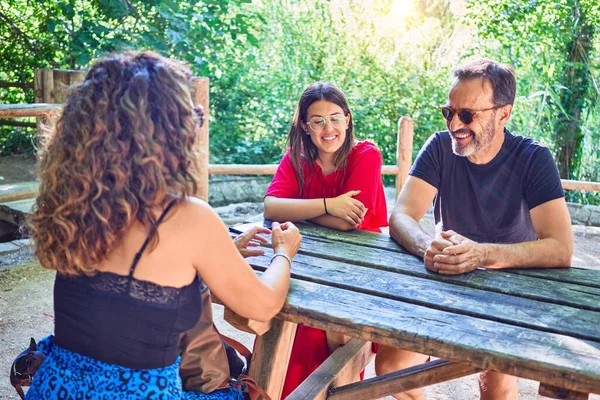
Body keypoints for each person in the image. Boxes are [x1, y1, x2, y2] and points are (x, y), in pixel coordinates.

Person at [26, 51, 302, 400]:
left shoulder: (73, 205)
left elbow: (129, 289)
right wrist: (283, 252)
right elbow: (263, 306)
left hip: (54, 388)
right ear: (168, 132)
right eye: (192, 116)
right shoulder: (189, 218)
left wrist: (223, 253)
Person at [385, 58, 573, 400]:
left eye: (467, 115)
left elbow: (560, 248)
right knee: (391, 366)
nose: (455, 123)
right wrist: (426, 245)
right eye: (449, 112)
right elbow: (401, 216)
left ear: (504, 114)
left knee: (496, 383)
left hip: (513, 293)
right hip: (448, 282)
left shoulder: (534, 158)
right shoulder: (440, 148)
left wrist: (481, 254)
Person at [264, 81, 388, 397]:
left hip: (356, 274)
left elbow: (351, 222)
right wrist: (328, 204)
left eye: (335, 117)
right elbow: (271, 206)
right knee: (280, 323)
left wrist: (296, 211)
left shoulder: (366, 155)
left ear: (347, 119)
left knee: (334, 336)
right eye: (317, 121)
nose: (327, 128)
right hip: (309, 268)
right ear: (305, 126)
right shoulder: (296, 158)